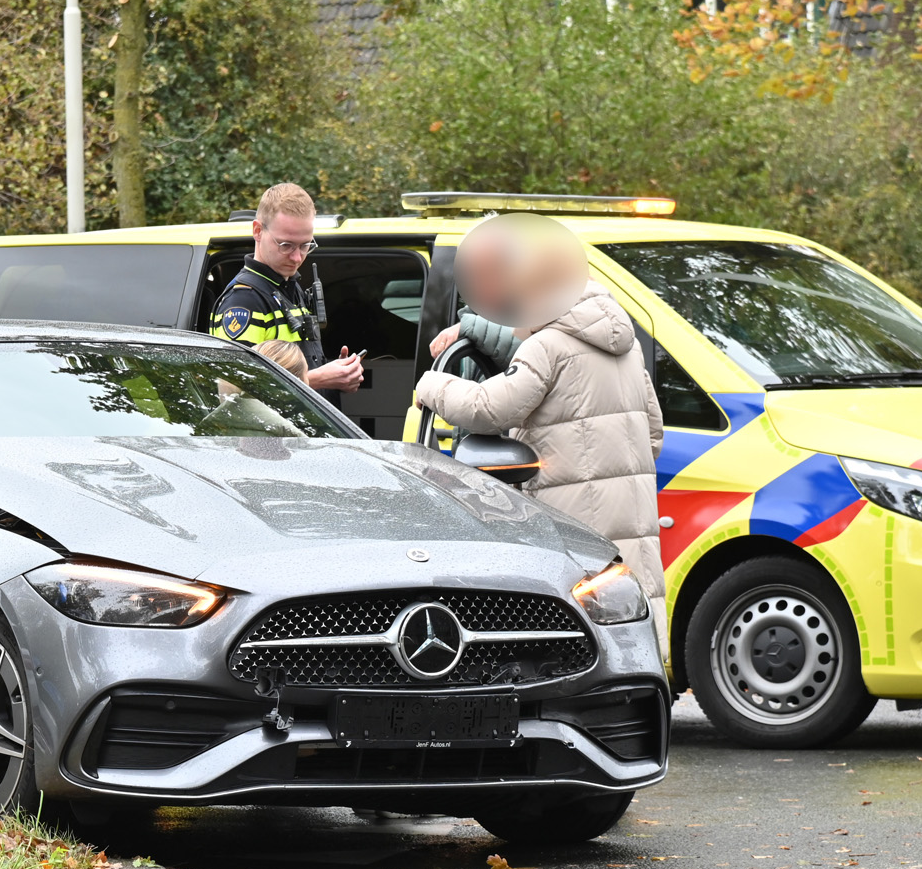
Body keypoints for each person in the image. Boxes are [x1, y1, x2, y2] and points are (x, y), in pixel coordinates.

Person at [413, 217, 666, 603]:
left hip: (574, 521)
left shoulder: (546, 346)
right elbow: (653, 434)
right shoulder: (625, 342)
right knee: (633, 617)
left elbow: (489, 409)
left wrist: (432, 383)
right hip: (636, 519)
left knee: (583, 622)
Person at [209, 184, 363, 402]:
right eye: (286, 245)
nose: (297, 258)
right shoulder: (244, 300)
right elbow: (236, 391)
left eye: (305, 245)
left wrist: (337, 373)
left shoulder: (289, 287)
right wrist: (319, 378)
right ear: (257, 231)